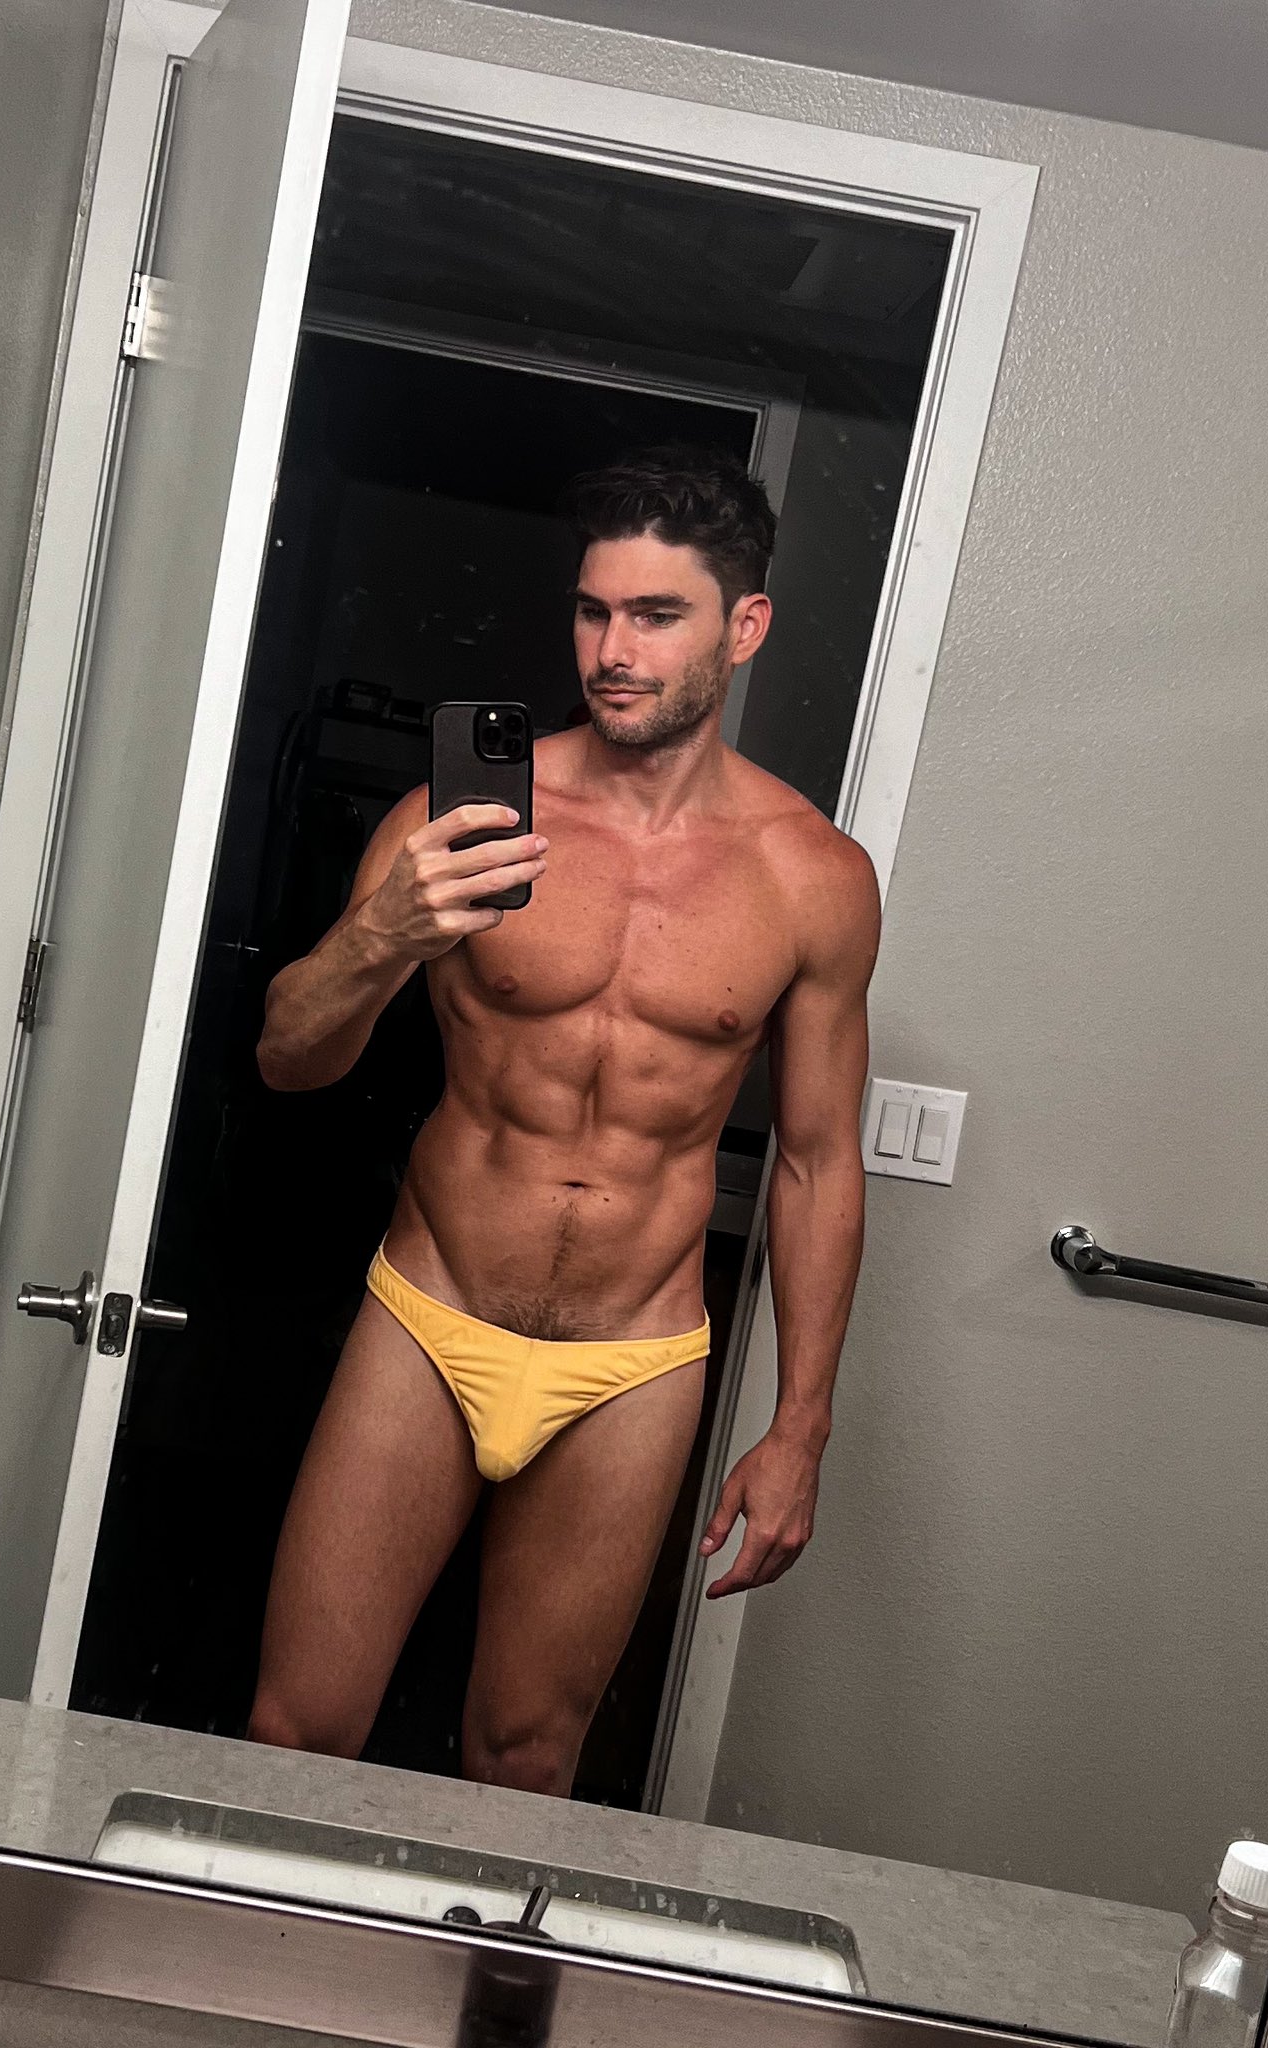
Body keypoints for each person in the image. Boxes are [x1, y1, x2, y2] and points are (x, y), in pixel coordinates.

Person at [248, 447, 881, 1795]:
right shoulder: (455, 821)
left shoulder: (813, 877)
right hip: (430, 1313)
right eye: (594, 611)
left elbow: (820, 1163)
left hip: (633, 1361)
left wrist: (801, 1428)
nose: (612, 651)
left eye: (656, 615)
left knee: (528, 1759)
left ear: (745, 627)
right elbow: (290, 1060)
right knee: (298, 1733)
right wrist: (381, 933)